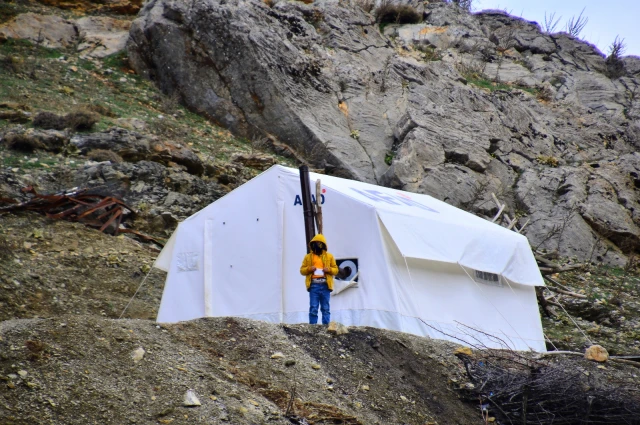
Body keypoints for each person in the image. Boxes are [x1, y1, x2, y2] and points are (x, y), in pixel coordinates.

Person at [299, 234, 338, 325]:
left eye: (320, 243)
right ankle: (313, 328)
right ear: (312, 244)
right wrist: (309, 269)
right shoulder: (308, 257)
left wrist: (329, 270)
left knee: (325, 308)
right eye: (316, 243)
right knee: (313, 307)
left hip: (325, 284)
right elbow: (302, 270)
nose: (318, 245)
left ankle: (326, 327)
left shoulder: (329, 257)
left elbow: (336, 270)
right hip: (314, 285)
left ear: (323, 245)